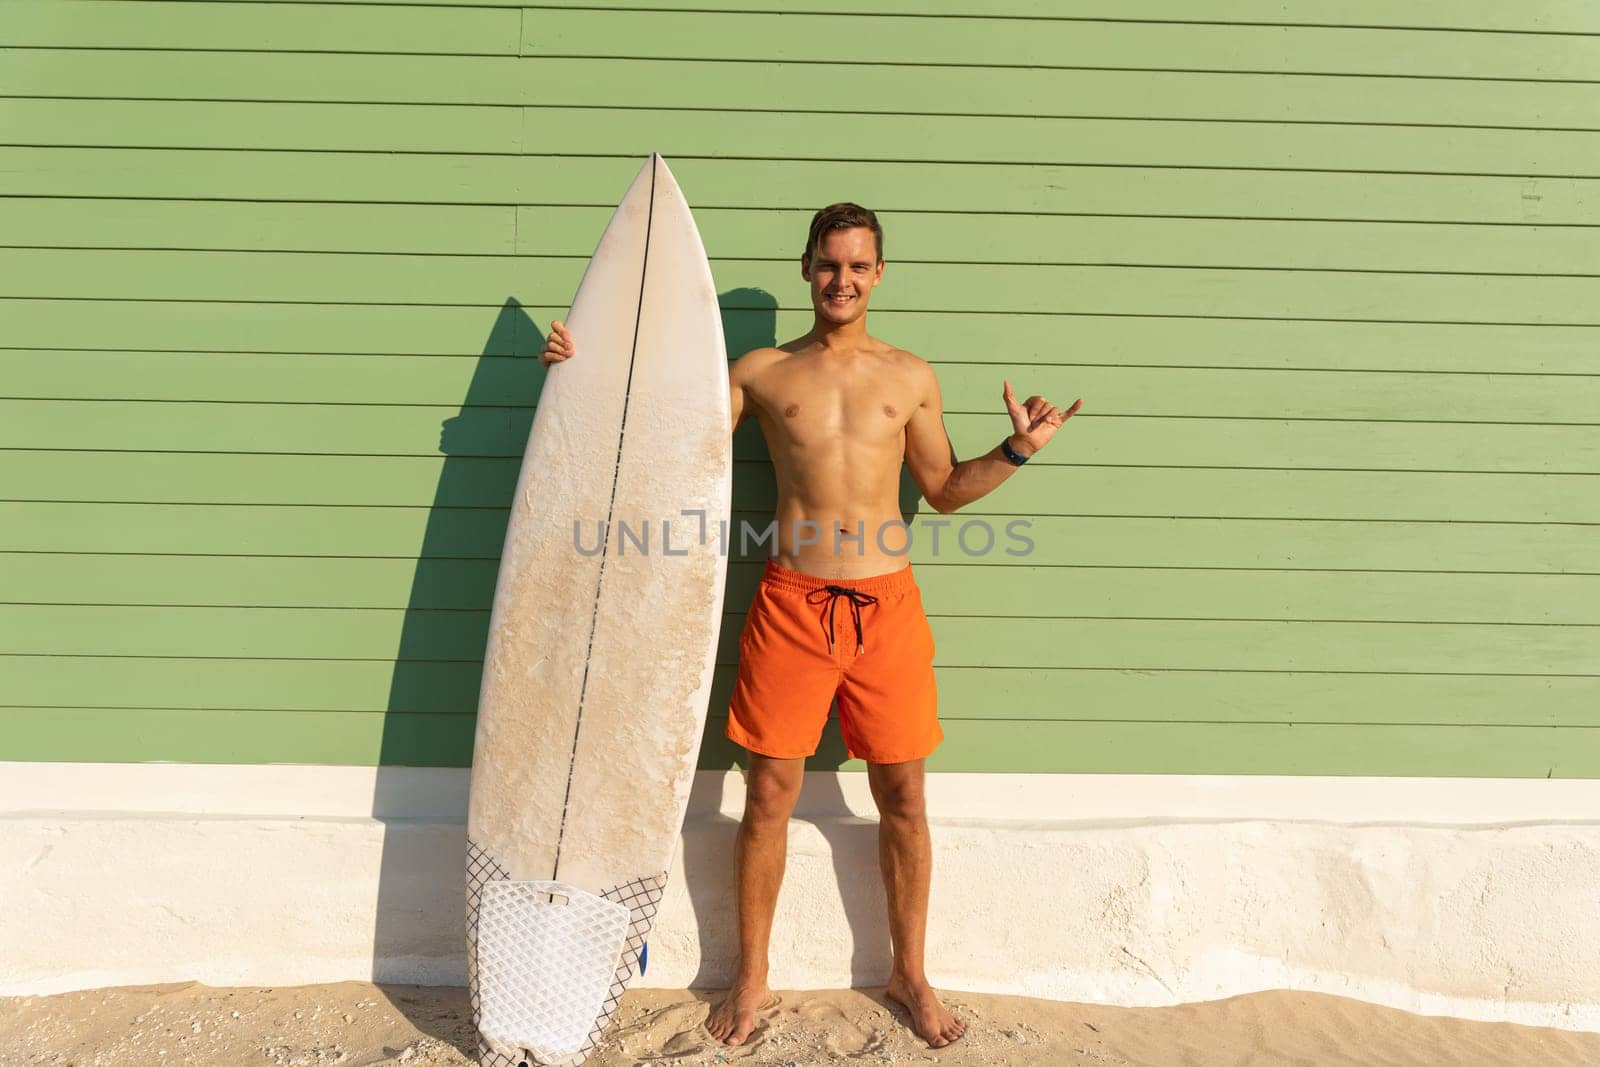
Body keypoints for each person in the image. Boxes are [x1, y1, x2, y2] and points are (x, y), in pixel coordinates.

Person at [540, 202, 1080, 1049]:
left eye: (859, 266)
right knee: (768, 795)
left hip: (888, 609)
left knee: (903, 795)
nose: (843, 280)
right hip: (791, 604)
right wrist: (584, 371)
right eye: (830, 264)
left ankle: (911, 972)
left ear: (879, 274)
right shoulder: (760, 372)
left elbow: (941, 488)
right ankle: (749, 981)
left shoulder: (910, 376)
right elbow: (666, 443)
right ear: (807, 268)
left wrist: (1018, 451)